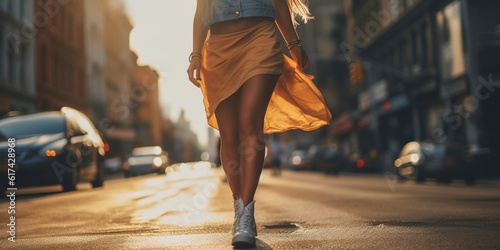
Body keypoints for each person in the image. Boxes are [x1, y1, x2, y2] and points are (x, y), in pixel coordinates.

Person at [187, 0, 331, 247]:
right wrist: (196, 54)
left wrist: (293, 44)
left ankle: (246, 216)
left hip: (260, 39)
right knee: (229, 135)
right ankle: (239, 206)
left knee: (250, 124)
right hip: (219, 47)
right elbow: (202, 8)